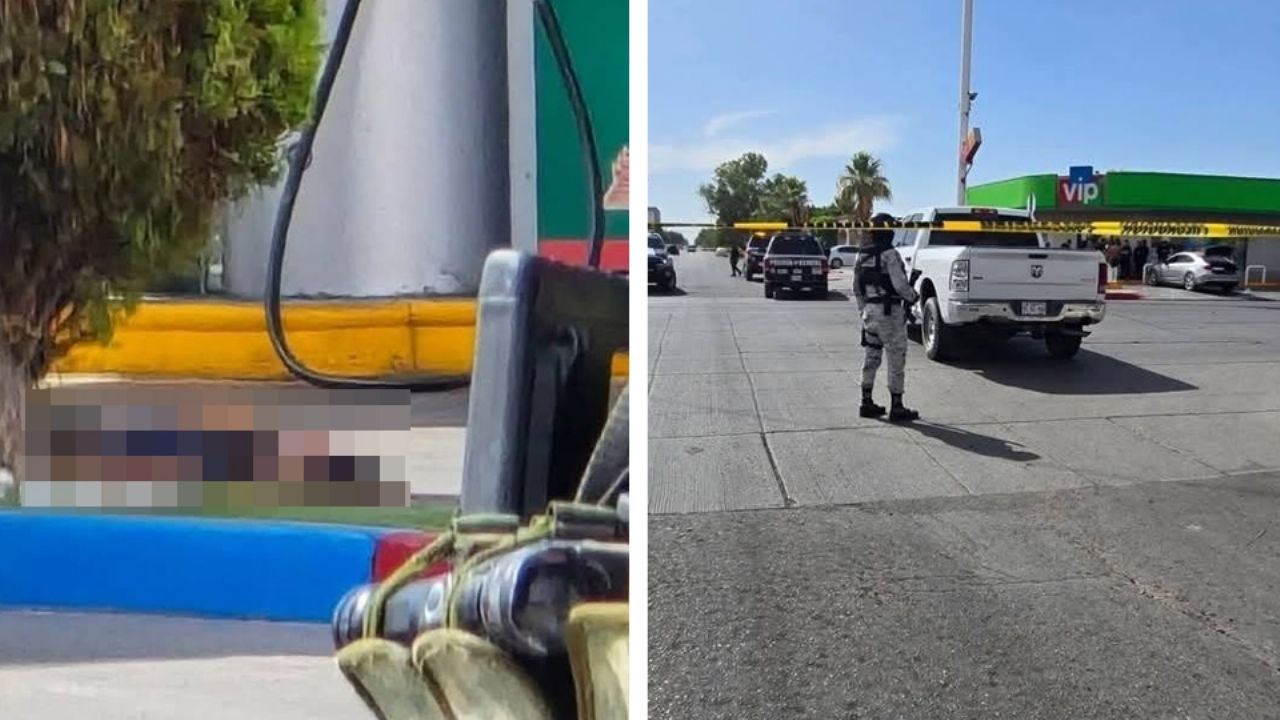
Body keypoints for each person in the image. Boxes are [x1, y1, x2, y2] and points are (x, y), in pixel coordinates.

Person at [853, 213, 919, 422]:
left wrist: (863, 309)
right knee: (895, 358)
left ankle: (866, 401)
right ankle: (897, 406)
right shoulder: (890, 254)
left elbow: (856, 288)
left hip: (869, 312)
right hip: (889, 313)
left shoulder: (861, 255)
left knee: (871, 357)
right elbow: (900, 285)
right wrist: (912, 296)